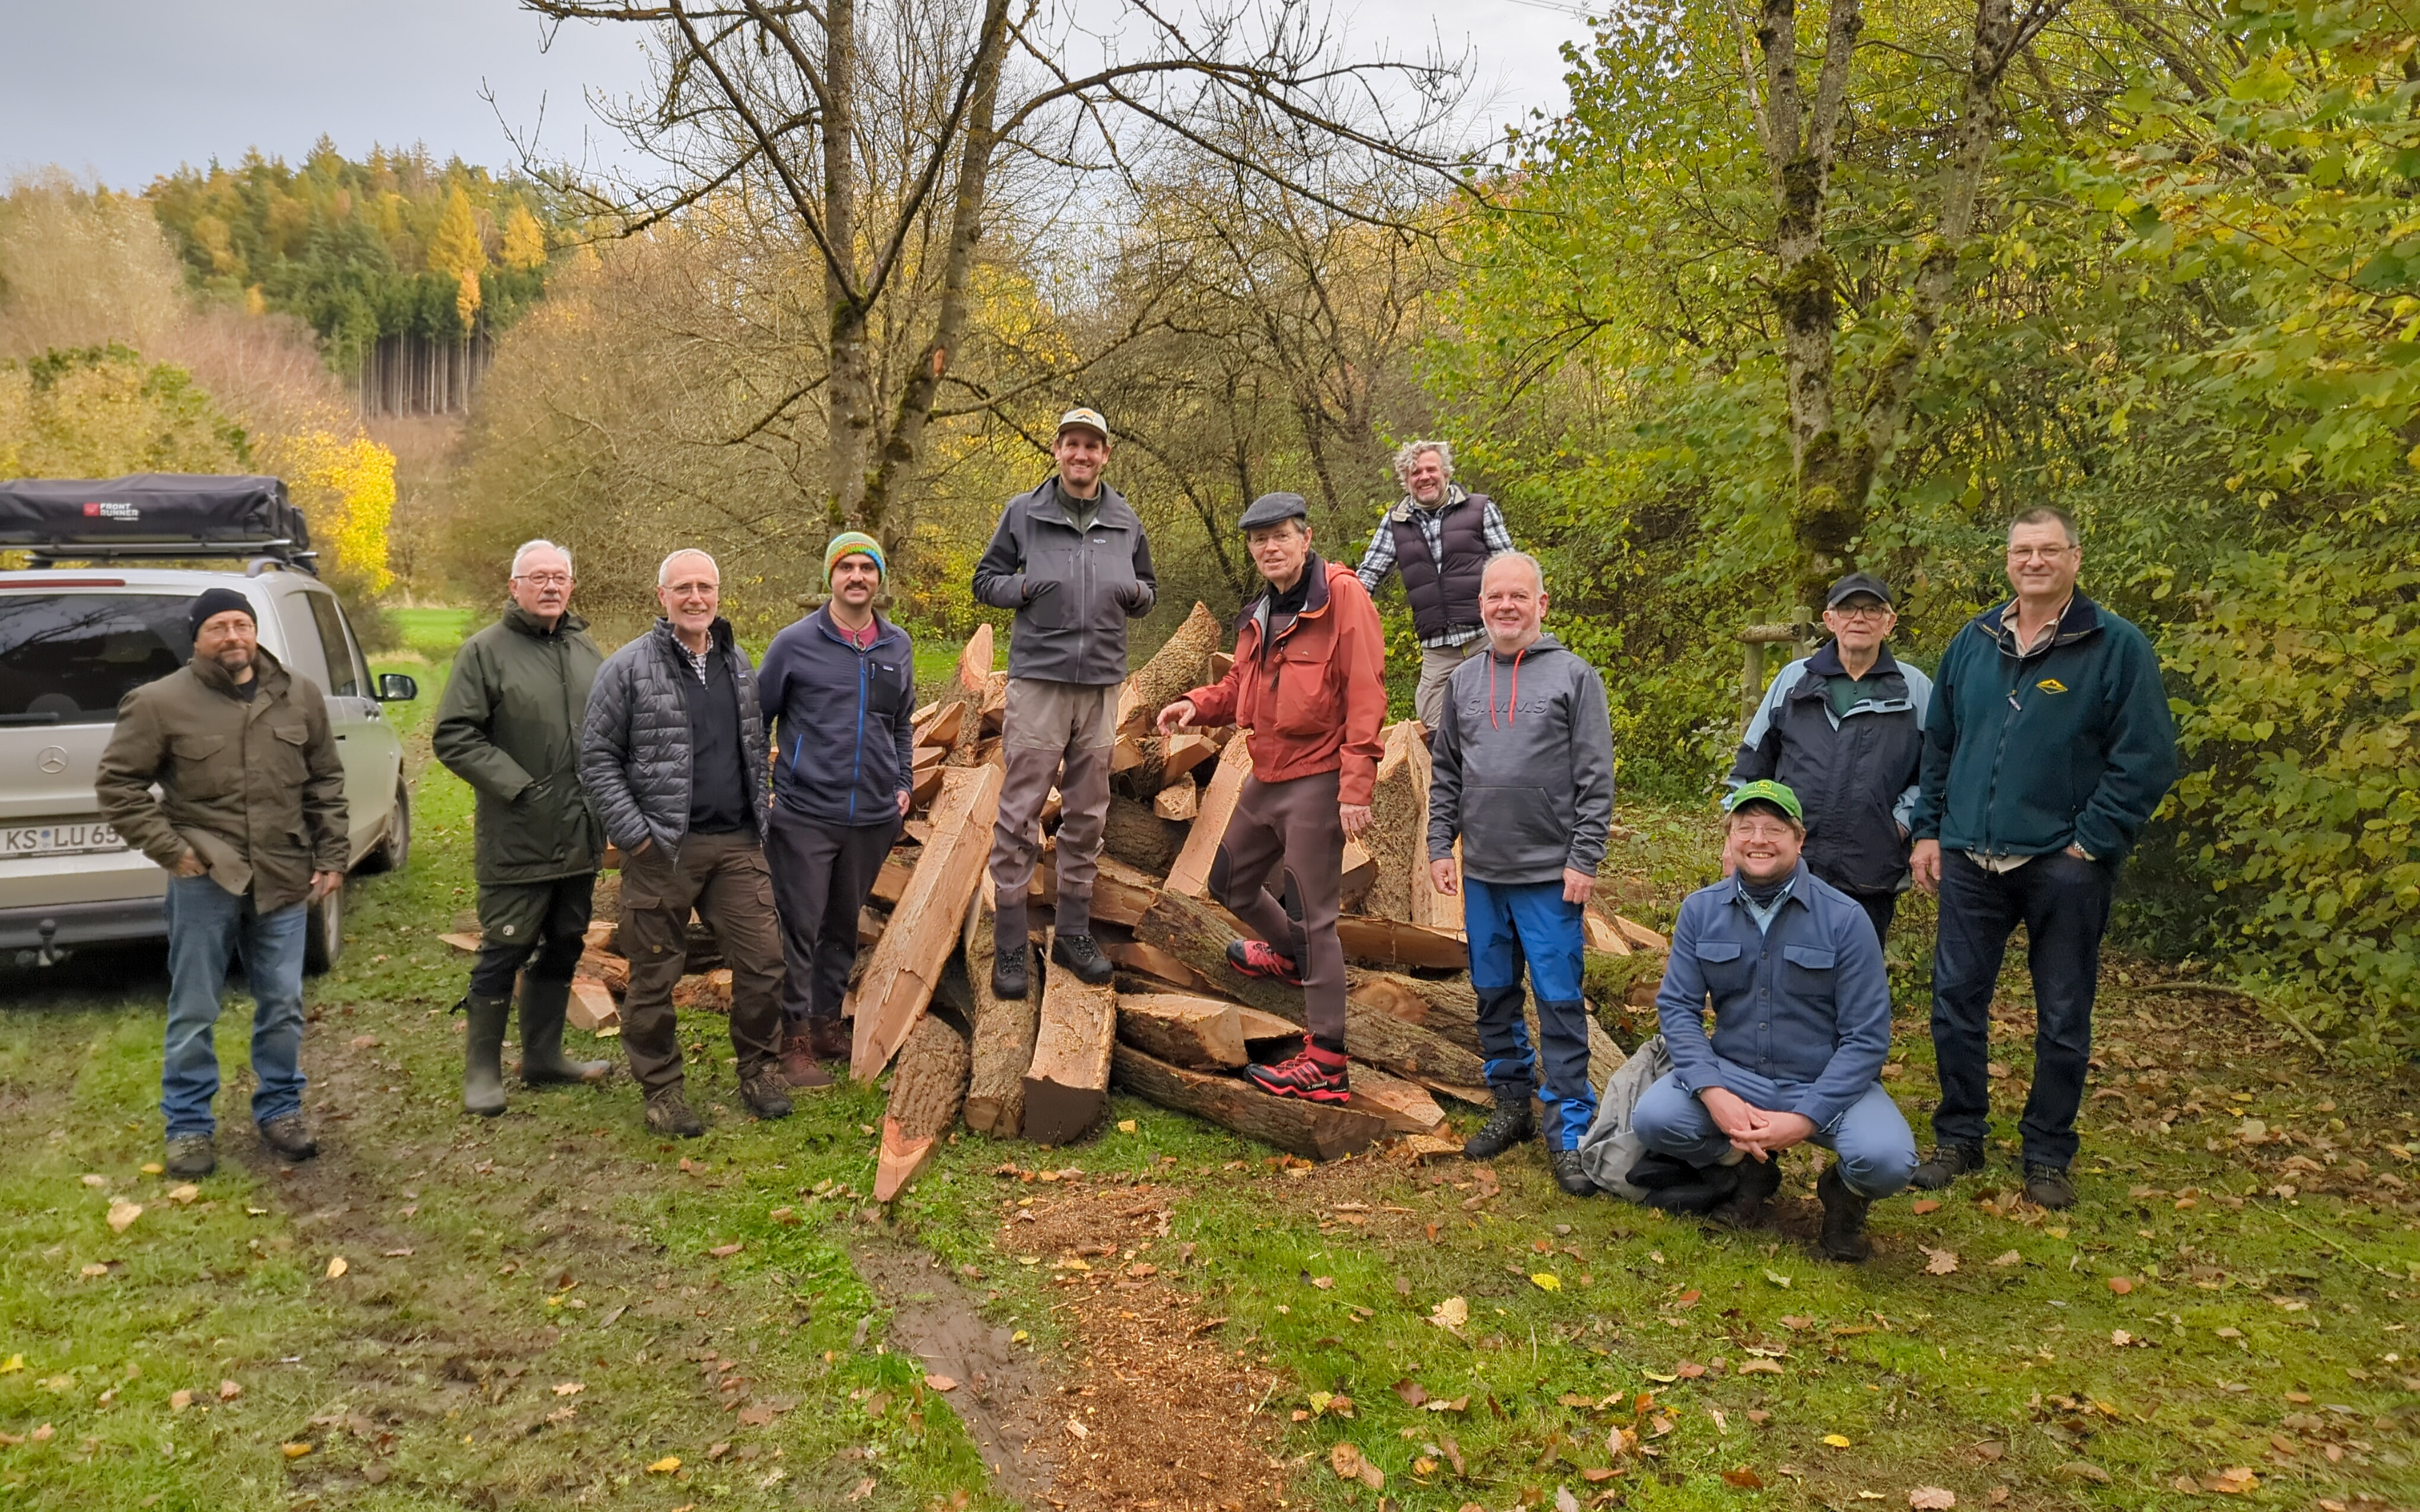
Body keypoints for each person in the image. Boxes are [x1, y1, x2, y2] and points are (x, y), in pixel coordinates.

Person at [1906, 507, 2178, 1208]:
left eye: (2048, 550)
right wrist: (1930, 830)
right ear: (2007, 561)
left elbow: (2144, 757)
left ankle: (2048, 1154)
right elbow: (1940, 744)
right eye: (2023, 551)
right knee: (1956, 1002)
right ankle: (1960, 1137)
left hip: (2063, 864)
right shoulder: (1973, 642)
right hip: (1970, 857)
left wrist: (2093, 839)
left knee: (2062, 1014)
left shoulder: (2115, 646)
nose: (2034, 561)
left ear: (2075, 559)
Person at [95, 588, 347, 1178]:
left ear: (255, 631)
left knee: (283, 1003)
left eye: (242, 624)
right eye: (218, 627)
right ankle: (187, 1127)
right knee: (194, 1007)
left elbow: (325, 782)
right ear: (197, 638)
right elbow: (118, 787)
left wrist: (332, 853)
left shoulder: (298, 695)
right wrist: (171, 849)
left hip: (284, 878)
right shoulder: (159, 703)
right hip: (207, 880)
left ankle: (281, 1111)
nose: (233, 636)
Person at [1157, 492, 1388, 1102]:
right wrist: (1197, 704)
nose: (1269, 548)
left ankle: (1327, 1065)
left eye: (1280, 536)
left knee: (1317, 923)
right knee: (1228, 881)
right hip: (1268, 772)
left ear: (1305, 538)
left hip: (1319, 778)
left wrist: (1356, 784)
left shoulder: (1344, 598)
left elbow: (1367, 692)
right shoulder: (1261, 609)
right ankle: (1286, 956)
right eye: (1259, 540)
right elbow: (1241, 685)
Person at [1630, 781, 1916, 1260]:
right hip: (1735, 1076)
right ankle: (1747, 1171)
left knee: (1887, 1161)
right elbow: (1678, 1009)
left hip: (1823, 1081)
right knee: (1656, 1118)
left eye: (1774, 828)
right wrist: (1714, 1093)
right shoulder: (1701, 911)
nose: (1759, 839)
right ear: (1730, 839)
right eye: (1746, 827)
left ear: (1799, 840)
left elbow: (1867, 1039)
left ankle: (1844, 1198)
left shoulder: (1845, 919)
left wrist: (1806, 1119)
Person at [579, 549, 791, 1137]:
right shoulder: (626, 669)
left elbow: (754, 750)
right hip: (662, 849)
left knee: (765, 963)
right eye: (684, 588)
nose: (696, 598)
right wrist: (636, 838)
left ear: (719, 594)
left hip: (737, 844)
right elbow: (597, 760)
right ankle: (663, 1090)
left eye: (706, 587)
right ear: (662, 597)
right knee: (653, 975)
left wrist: (759, 813)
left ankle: (759, 1070)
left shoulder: (739, 663)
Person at [1426, 553, 1616, 1195]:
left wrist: (1585, 858)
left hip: (1550, 876)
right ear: (1480, 606)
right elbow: (1447, 770)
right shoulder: (1465, 681)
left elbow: (1596, 777)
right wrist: (1437, 846)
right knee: (1493, 994)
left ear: (1543, 604)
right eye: (1494, 597)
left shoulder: (1574, 677)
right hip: (1483, 871)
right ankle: (1511, 1101)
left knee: (1559, 1002)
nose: (1505, 606)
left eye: (1518, 596)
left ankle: (1569, 1127)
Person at [972, 407, 1156, 999]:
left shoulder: (1125, 517)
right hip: (1040, 681)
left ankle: (1074, 931)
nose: (1082, 455)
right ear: (1057, 449)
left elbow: (1149, 591)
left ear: (1106, 453)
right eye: (1072, 444)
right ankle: (1009, 943)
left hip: (1102, 684)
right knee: (1020, 813)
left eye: (1092, 446)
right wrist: (1024, 588)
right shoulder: (1024, 513)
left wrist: (1132, 592)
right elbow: (986, 580)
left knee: (1087, 814)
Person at [433, 540, 612, 1117]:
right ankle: (481, 1073)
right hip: (519, 835)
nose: (551, 586)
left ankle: (543, 1057)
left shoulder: (586, 650)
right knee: (504, 948)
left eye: (560, 577)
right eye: (538, 577)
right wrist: (518, 787)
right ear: (515, 587)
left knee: (565, 944)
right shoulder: (485, 653)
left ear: (572, 586)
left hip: (582, 836)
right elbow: (455, 735)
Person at [757, 532, 916, 1089]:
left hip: (871, 816)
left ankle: (827, 1024)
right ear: (831, 577)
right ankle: (793, 1038)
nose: (857, 577)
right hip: (804, 812)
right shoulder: (794, 643)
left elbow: (900, 723)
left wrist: (903, 781)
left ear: (879, 579)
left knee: (841, 927)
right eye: (846, 567)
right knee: (798, 927)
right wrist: (763, 790)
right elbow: (755, 721)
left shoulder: (897, 645)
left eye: (867, 568)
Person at [1727, 571, 1932, 944]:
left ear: (1890, 623)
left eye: (1872, 609)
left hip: (1869, 869)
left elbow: (1936, 774)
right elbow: (1751, 769)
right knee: (1776, 974)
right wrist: (1737, 838)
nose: (1859, 618)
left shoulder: (1915, 689)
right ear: (1829, 619)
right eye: (1848, 608)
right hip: (1784, 862)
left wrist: (1900, 823)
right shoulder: (1793, 681)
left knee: (1855, 982)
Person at [1352, 439, 1514, 732]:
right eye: (1415, 472)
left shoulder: (1479, 509)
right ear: (1406, 480)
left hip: (1486, 635)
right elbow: (1369, 576)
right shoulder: (1395, 522)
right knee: (1433, 720)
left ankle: (1500, 771)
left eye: (1431, 469)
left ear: (1446, 473)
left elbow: (1510, 569)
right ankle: (1460, 775)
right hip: (1437, 646)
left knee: (1504, 713)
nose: (1424, 477)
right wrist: (1336, 610)